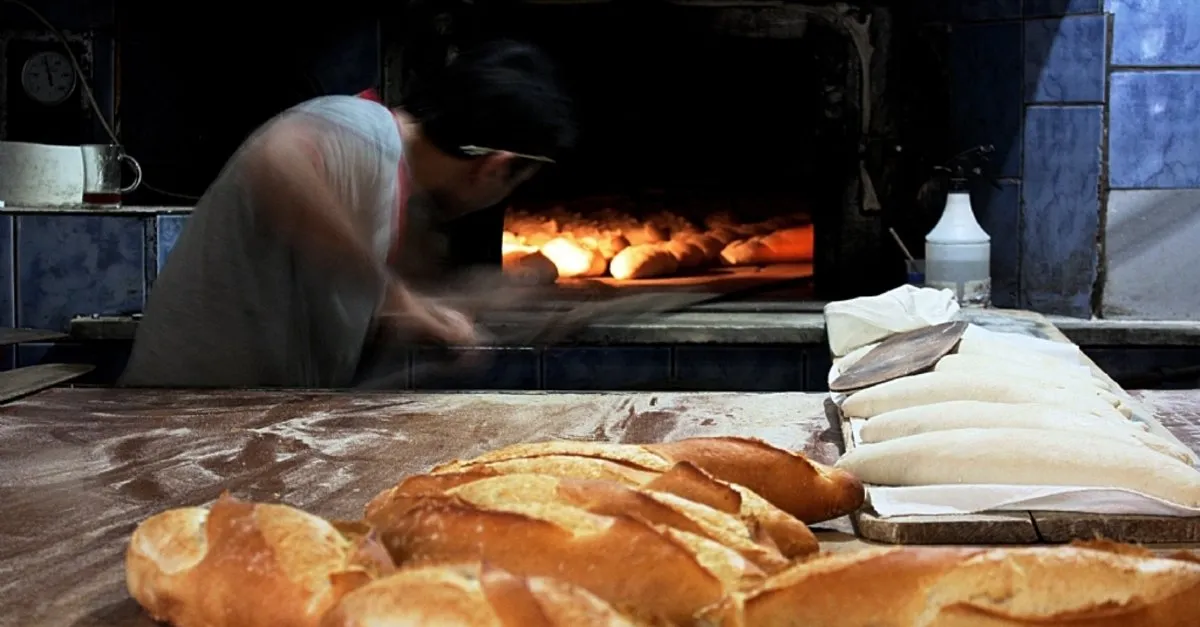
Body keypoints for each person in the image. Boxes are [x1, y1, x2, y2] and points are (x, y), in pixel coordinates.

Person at [120, 40, 576, 388]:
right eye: (516, 184)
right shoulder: (359, 130)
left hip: (228, 425)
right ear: (494, 167)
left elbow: (358, 294)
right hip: (177, 421)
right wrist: (398, 297)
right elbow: (274, 161)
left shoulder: (391, 182)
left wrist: (465, 303)